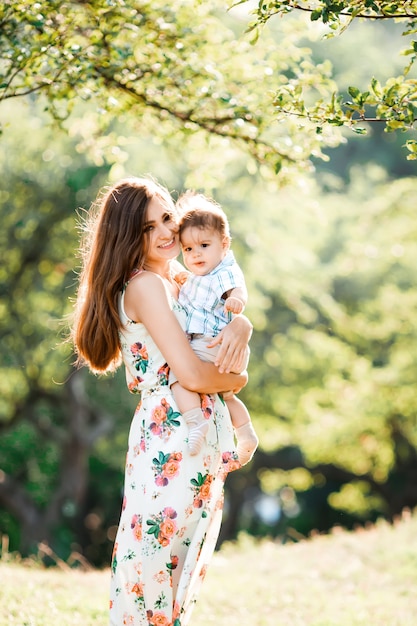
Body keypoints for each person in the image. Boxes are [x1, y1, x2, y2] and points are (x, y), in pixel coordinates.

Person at [71, 176, 252, 626]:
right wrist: (240, 376)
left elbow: (218, 321)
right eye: (150, 227)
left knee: (175, 564)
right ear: (130, 236)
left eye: (167, 217)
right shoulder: (144, 286)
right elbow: (189, 373)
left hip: (194, 428)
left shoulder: (175, 278)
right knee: (151, 559)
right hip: (171, 431)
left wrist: (241, 326)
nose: (167, 232)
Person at [170, 191, 258, 466]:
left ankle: (195, 422)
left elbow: (238, 288)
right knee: (226, 395)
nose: (196, 254)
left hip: (210, 343)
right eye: (188, 249)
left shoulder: (224, 271)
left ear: (224, 243)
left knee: (178, 377)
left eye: (204, 246)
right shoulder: (199, 276)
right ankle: (245, 433)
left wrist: (236, 300)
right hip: (219, 348)